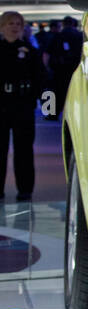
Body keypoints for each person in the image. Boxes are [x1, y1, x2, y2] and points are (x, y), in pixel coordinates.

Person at [0, 11, 48, 201]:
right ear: (2, 27)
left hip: (23, 105)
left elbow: (41, 78)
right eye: (10, 23)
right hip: (1, 105)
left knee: (24, 150)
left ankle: (25, 190)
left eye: (18, 24)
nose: (14, 27)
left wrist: (44, 103)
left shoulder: (30, 51)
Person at [48, 16, 84, 117]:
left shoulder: (58, 36)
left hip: (58, 69)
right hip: (75, 68)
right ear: (74, 24)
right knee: (75, 91)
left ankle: (52, 114)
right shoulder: (80, 36)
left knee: (56, 91)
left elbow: (47, 53)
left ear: (63, 24)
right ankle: (73, 114)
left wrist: (47, 68)